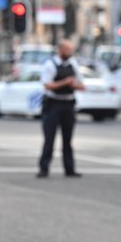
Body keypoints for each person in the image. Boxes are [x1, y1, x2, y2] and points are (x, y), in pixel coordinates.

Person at [36, 39, 85, 178]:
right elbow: (47, 85)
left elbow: (81, 85)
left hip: (68, 104)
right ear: (61, 50)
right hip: (53, 104)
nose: (70, 53)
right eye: (68, 50)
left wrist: (73, 85)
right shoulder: (51, 65)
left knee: (68, 139)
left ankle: (69, 168)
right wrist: (65, 82)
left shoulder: (73, 64)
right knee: (49, 138)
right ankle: (44, 168)